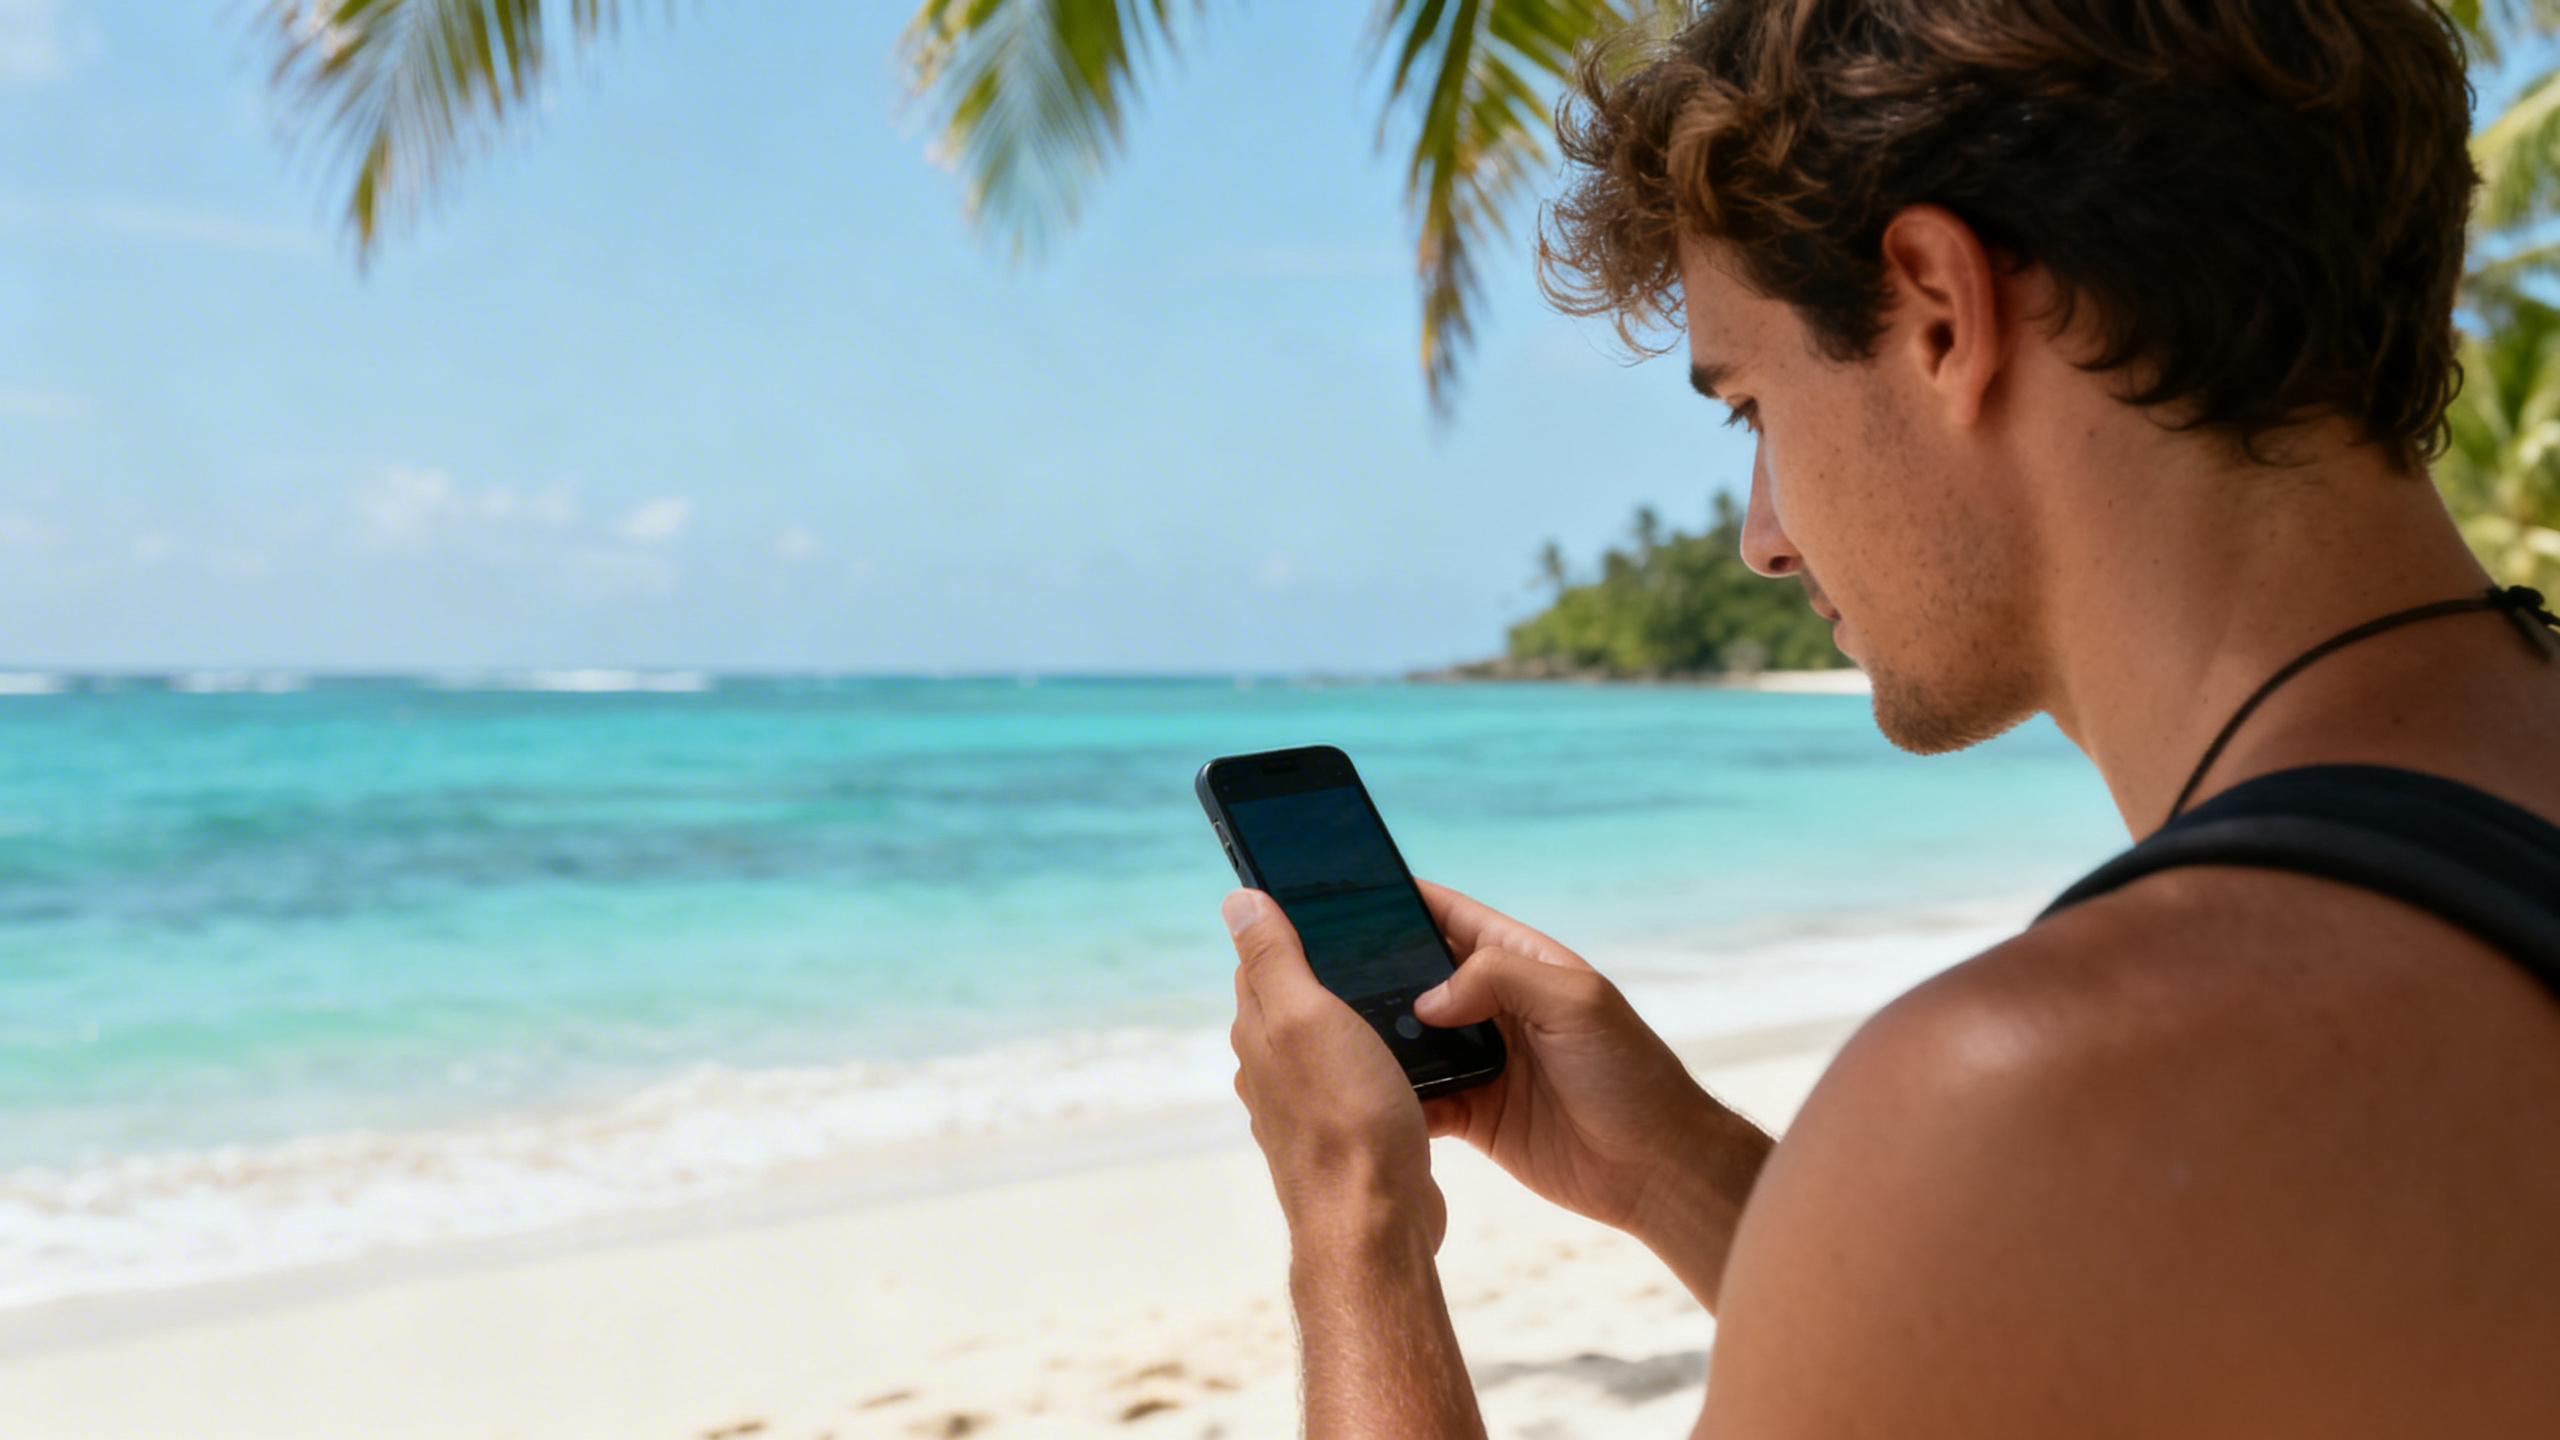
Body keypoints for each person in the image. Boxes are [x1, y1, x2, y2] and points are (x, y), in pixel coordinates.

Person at [1220, 0, 2560, 1434]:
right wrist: (1676, 1169)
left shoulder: (2052, 1091)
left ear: (1938, 309)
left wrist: (1358, 1228)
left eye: (1750, 406)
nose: (1762, 538)